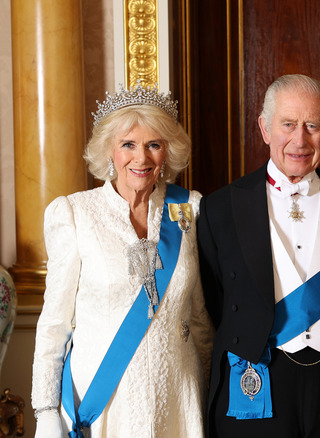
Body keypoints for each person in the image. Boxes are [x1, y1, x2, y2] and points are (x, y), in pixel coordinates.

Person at [198, 74, 320, 437]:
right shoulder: (220, 209)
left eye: (312, 126)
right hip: (256, 376)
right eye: (288, 124)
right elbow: (213, 301)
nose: (300, 139)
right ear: (265, 128)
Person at [31, 83, 213, 437]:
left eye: (153, 145)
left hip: (178, 396)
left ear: (167, 152)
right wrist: (45, 410)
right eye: (128, 144)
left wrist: (210, 395)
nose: (141, 158)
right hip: (103, 402)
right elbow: (55, 323)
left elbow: (199, 317)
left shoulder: (188, 209)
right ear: (109, 151)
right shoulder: (75, 213)